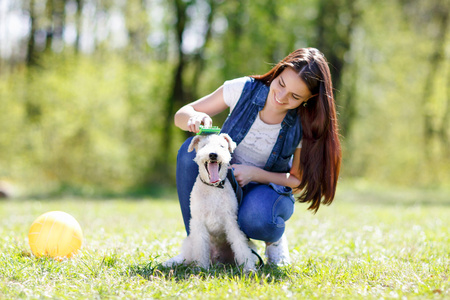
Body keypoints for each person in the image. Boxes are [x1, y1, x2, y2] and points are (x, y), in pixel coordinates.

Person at [170, 47, 341, 266]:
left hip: (264, 192)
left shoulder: (304, 123)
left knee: (259, 219)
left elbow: (297, 182)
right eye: (281, 84)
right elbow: (181, 114)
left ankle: (275, 241)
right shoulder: (243, 88)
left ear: (309, 98)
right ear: (278, 71)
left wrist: (256, 174)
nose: (281, 96)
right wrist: (195, 117)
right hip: (224, 184)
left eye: (295, 96)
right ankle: (198, 247)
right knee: (188, 154)